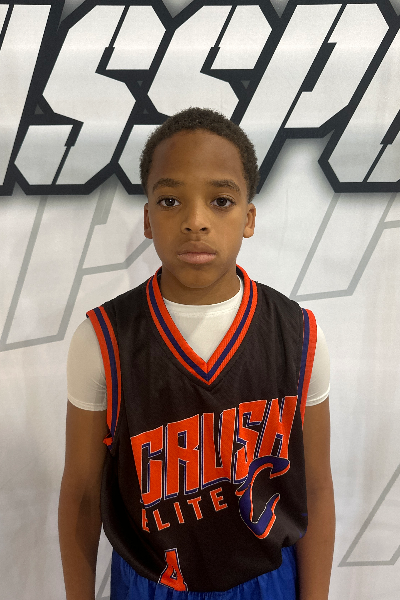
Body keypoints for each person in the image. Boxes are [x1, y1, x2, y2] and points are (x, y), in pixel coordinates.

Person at [59, 107, 335, 600]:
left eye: (221, 200)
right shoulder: (102, 340)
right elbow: (81, 495)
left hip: (266, 581)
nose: (195, 221)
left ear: (249, 218)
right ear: (148, 218)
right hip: (150, 584)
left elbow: (314, 488)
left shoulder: (298, 335)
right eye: (170, 200)